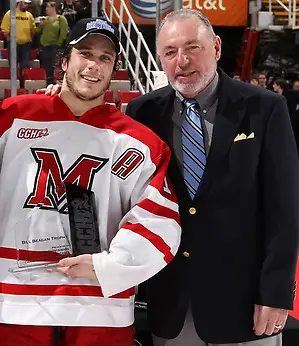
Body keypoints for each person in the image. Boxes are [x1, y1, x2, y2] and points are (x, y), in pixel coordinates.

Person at [41, 8, 299, 346]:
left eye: (193, 48)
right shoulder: (143, 112)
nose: (182, 61)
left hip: (246, 303)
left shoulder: (265, 108)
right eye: (170, 52)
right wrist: (56, 106)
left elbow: (284, 208)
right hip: (171, 301)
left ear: (217, 48)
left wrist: (277, 293)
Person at [0, 17, 181, 346]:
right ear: (65, 60)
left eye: (105, 58)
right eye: (85, 53)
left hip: (99, 307)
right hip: (15, 304)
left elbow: (160, 220)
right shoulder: (13, 117)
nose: (94, 66)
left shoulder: (140, 143)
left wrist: (109, 266)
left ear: (113, 69)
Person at [38, 2, 68, 85]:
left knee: (55, 67)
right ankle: (49, 84)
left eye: (47, 7)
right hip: (44, 46)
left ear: (53, 8)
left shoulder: (60, 18)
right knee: (47, 68)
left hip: (55, 47)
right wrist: (40, 25)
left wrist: (58, 43)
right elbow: (37, 31)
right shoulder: (45, 19)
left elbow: (64, 32)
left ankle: (57, 84)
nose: (46, 9)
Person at [1, 0, 36, 68]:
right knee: (13, 66)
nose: (27, 5)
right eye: (25, 3)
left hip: (26, 45)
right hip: (13, 44)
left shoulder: (29, 15)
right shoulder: (10, 13)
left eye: (27, 4)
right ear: (19, 3)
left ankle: (23, 78)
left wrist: (30, 39)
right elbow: (4, 29)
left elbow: (33, 29)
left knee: (25, 66)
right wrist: (9, 40)